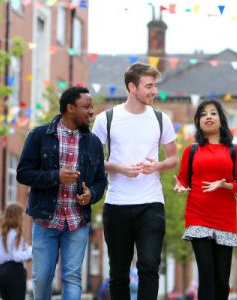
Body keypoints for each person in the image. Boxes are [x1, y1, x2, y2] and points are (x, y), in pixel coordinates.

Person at [92, 62, 177, 300]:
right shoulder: (105, 119)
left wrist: (156, 166)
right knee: (118, 273)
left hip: (151, 203)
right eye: (149, 86)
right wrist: (119, 168)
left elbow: (173, 159)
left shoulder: (162, 120)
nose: (154, 91)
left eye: (155, 86)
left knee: (149, 265)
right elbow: (94, 160)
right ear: (132, 87)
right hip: (117, 204)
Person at [16, 86, 107, 300]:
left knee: (72, 277)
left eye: (92, 107)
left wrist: (91, 194)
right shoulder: (40, 135)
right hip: (46, 220)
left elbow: (101, 181)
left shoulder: (93, 142)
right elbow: (23, 174)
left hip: (77, 221)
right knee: (42, 277)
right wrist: (55, 176)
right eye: (87, 107)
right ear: (70, 108)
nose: (92, 111)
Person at [173, 98, 237, 299]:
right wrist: (179, 185)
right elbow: (182, 179)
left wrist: (225, 185)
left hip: (224, 220)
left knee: (222, 280)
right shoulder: (192, 150)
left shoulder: (234, 151)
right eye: (203, 114)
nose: (208, 117)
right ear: (198, 121)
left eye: (213, 113)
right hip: (198, 216)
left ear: (221, 120)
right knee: (206, 275)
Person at [0, 203, 32, 300]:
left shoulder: (0, 233)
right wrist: (31, 251)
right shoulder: (17, 233)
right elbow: (17, 256)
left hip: (1, 272)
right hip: (15, 273)